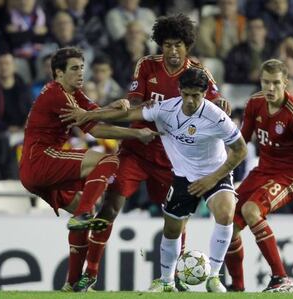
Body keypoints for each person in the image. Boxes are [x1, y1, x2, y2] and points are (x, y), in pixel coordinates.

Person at [58, 13, 230, 292]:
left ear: (187, 45)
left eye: (178, 45)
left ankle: (171, 278)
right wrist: (126, 103)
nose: (172, 51)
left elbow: (214, 106)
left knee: (175, 218)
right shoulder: (147, 65)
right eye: (167, 45)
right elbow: (136, 101)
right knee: (111, 205)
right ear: (160, 45)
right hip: (137, 150)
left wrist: (221, 102)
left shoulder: (198, 74)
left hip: (173, 158)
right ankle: (90, 273)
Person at [18, 47, 159, 291]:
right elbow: (96, 129)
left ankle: (72, 284)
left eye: (82, 68)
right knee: (110, 160)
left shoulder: (72, 93)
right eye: (74, 69)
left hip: (36, 168)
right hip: (40, 160)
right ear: (58, 74)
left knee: (83, 221)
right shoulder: (57, 95)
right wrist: (136, 133)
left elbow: (94, 113)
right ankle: (83, 212)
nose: (81, 73)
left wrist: (115, 106)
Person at [224, 59, 293, 292]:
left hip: (289, 175)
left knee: (250, 210)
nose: (270, 88)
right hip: (263, 171)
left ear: (285, 82)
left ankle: (281, 278)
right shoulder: (254, 103)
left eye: (276, 83)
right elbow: (241, 142)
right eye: (266, 82)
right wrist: (220, 173)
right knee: (227, 222)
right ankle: (237, 288)